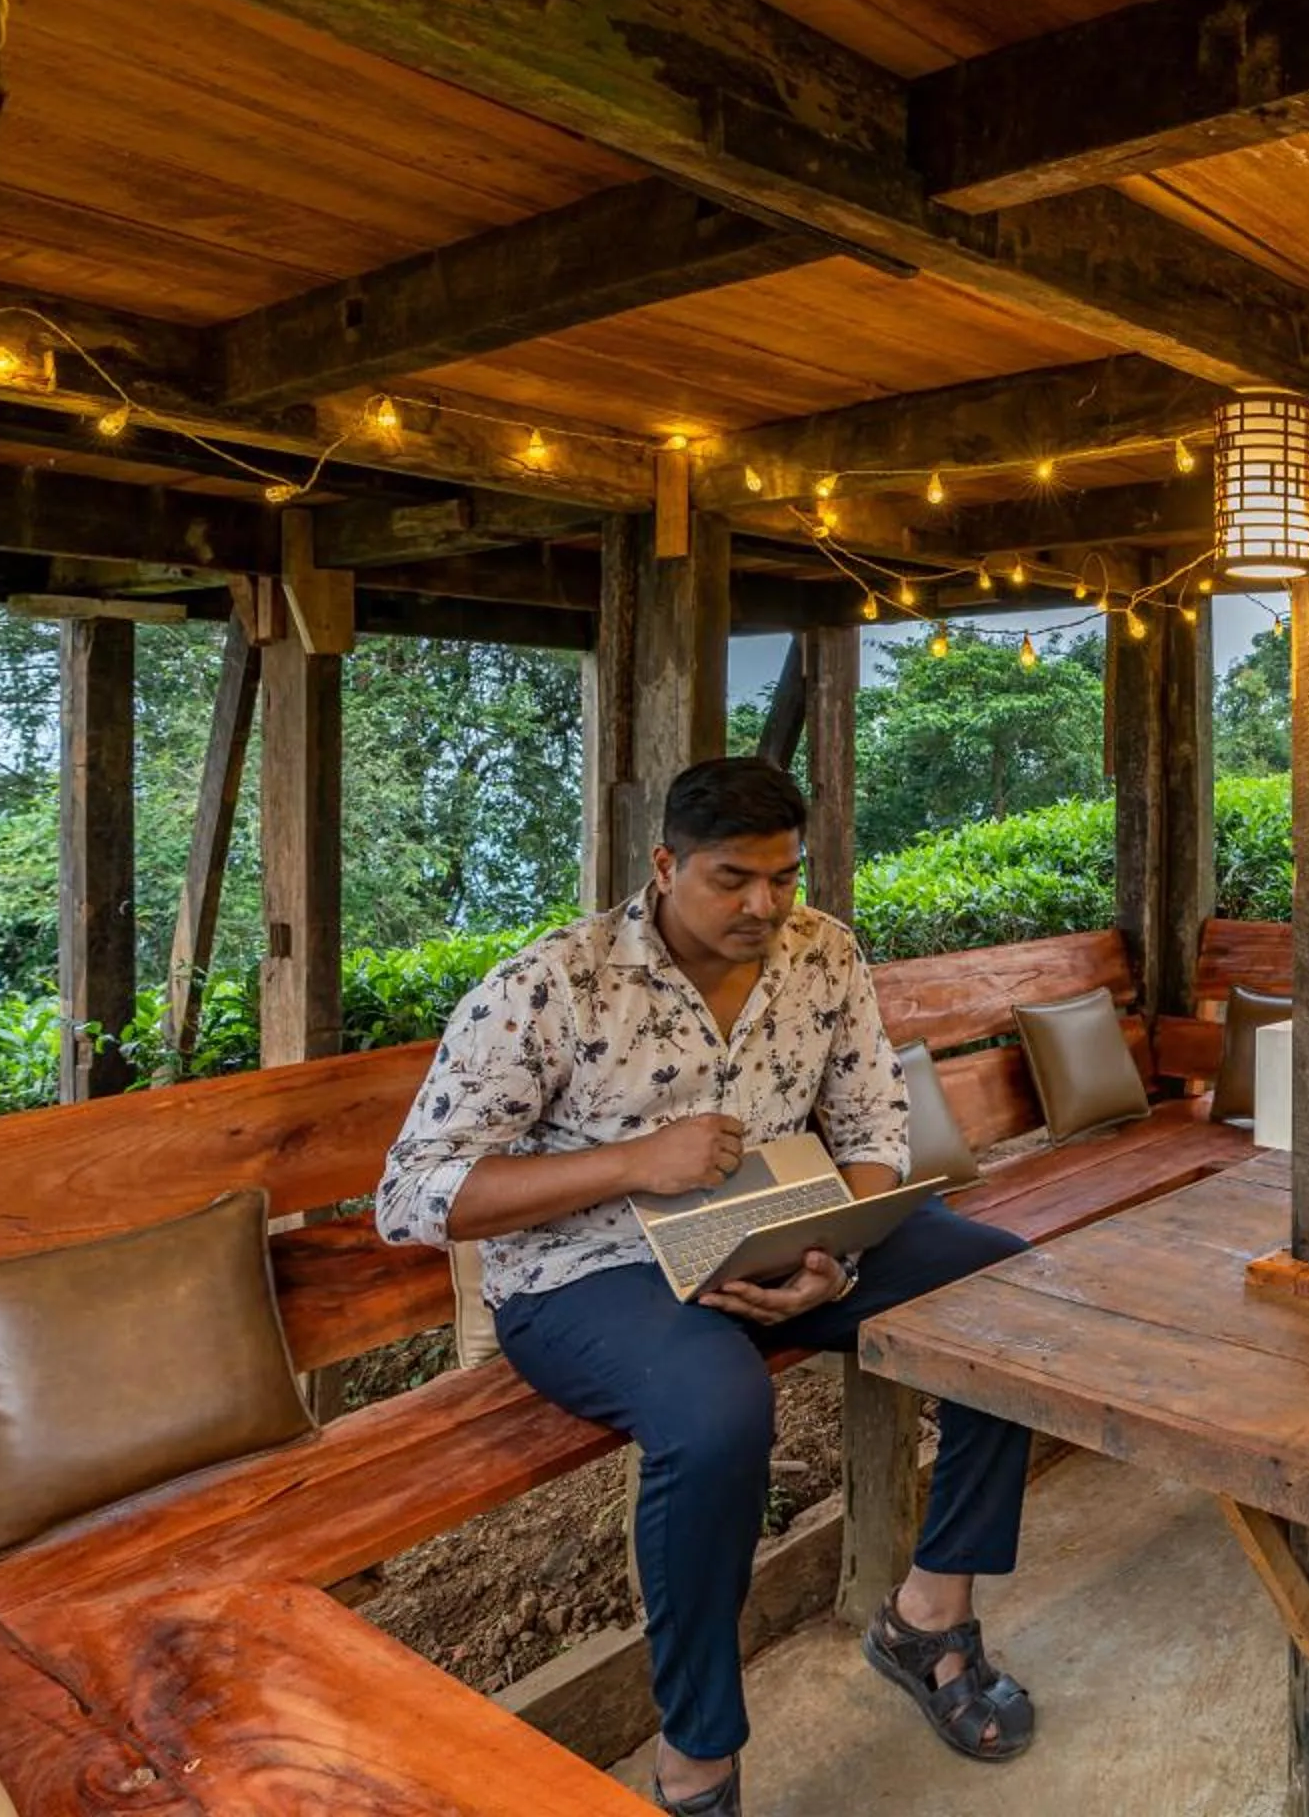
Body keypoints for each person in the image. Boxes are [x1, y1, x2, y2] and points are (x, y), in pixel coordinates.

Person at [376, 758, 1037, 1817]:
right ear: (665, 863)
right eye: (734, 878)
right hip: (589, 1271)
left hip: (782, 1234)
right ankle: (697, 1761)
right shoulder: (551, 981)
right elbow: (411, 1196)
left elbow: (871, 1126)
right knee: (720, 1406)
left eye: (783, 875)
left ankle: (928, 1616)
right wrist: (635, 1161)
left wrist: (841, 1250)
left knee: (998, 1288)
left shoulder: (823, 951)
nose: (765, 905)